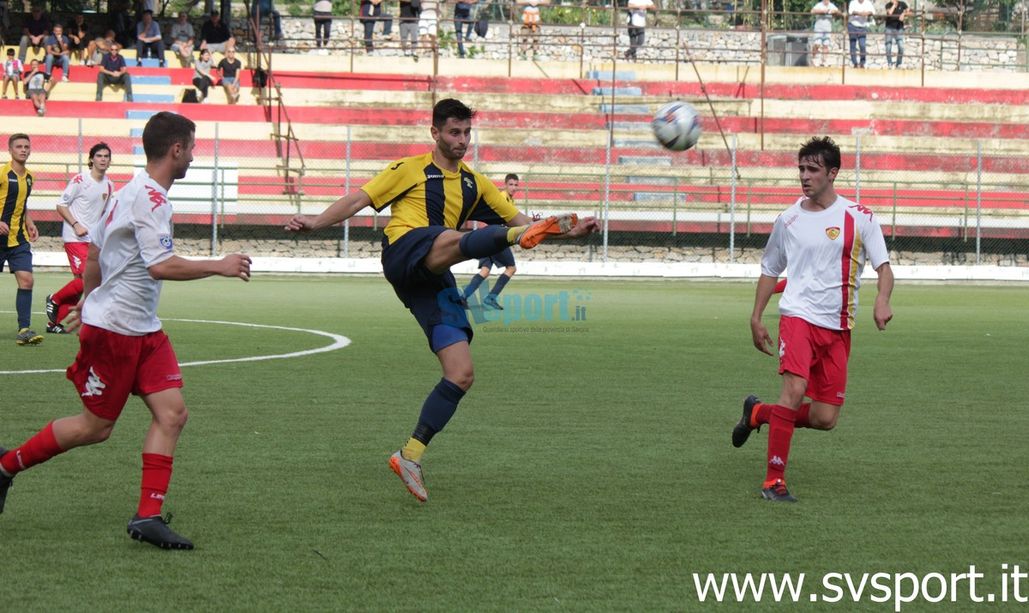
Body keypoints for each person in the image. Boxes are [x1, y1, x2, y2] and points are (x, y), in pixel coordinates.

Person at [285, 98, 599, 502]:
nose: (462, 140)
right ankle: (503, 241)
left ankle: (410, 454)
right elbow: (357, 200)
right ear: (435, 133)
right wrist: (314, 221)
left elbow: (526, 222)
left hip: (432, 272)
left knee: (461, 371)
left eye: (467, 133)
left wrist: (572, 232)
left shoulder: (475, 182)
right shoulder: (409, 169)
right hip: (405, 249)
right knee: (451, 237)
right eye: (454, 132)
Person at [0, 112, 253, 549]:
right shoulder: (150, 199)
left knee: (173, 413)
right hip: (115, 331)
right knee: (95, 428)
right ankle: (6, 466)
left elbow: (96, 250)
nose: (193, 156)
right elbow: (159, 265)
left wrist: (86, 297)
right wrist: (219, 264)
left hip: (143, 329)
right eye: (191, 148)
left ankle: (148, 516)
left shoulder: (129, 191)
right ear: (176, 150)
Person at [731, 136, 893, 503]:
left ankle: (759, 413)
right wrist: (756, 316)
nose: (804, 176)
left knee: (824, 418)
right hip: (797, 317)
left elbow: (884, 268)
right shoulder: (788, 219)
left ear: (833, 173)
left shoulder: (860, 217)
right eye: (801, 169)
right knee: (794, 390)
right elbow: (770, 269)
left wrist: (882, 300)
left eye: (813, 169)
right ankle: (774, 480)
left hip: (838, 327)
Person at [45, 143, 115, 335]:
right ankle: (55, 299)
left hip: (93, 239)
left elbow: (105, 214)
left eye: (106, 156)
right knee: (86, 278)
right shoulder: (79, 180)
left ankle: (54, 323)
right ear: (91, 159)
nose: (103, 159)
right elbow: (61, 205)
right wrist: (76, 224)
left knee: (82, 281)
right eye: (99, 156)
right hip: (74, 236)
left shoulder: (109, 184)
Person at [0, 133, 43, 345]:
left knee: (27, 280)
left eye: (27, 146)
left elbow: (22, 203)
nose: (23, 150)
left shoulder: (29, 177)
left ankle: (24, 328)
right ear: (10, 150)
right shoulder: (2, 173)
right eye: (19, 146)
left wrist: (30, 222)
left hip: (18, 240)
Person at [462, 173, 522, 309]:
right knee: (511, 268)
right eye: (511, 184)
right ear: (505, 185)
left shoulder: (509, 200)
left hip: (487, 236)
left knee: (485, 270)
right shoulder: (503, 198)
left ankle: (463, 298)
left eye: (516, 185)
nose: (513, 187)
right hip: (496, 237)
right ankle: (490, 298)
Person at [810, 0, 839, 67]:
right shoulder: (819, 5)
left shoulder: (831, 5)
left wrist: (834, 11)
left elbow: (838, 11)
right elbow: (812, 11)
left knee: (826, 45)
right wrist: (822, 11)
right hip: (819, 28)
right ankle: (813, 58)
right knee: (817, 44)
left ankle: (824, 61)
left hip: (828, 28)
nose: (826, 1)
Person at [883, 0, 911, 69]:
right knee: (888, 46)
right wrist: (894, 5)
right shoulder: (888, 5)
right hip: (889, 28)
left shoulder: (903, 4)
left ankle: (898, 63)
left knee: (901, 46)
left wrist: (904, 14)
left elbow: (909, 12)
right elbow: (889, 13)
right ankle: (889, 63)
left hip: (899, 28)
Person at [847, 0, 874, 68]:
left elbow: (873, 11)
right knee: (853, 44)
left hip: (862, 27)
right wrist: (860, 13)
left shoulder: (868, 2)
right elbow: (851, 11)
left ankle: (862, 63)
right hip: (852, 25)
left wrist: (867, 13)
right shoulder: (853, 2)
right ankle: (854, 63)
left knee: (862, 45)